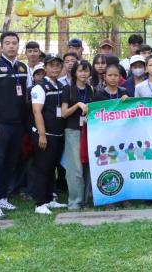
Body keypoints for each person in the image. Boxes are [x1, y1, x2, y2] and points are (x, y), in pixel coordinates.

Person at [0, 31, 31, 219]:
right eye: (7, 43)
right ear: (1, 46)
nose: (11, 46)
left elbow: (26, 96)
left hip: (18, 125)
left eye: (14, 43)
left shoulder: (23, 68)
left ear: (18, 46)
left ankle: (3, 197)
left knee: (11, 162)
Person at [30, 55, 67, 214]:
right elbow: (37, 112)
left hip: (58, 134)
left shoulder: (60, 85)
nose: (55, 68)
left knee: (52, 168)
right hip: (45, 135)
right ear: (45, 68)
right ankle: (40, 203)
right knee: (43, 168)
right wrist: (42, 134)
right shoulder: (39, 88)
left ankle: (50, 199)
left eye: (58, 65)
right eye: (51, 65)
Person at [62, 59, 94, 210]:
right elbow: (64, 113)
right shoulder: (68, 89)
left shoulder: (91, 89)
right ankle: (75, 201)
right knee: (75, 168)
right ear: (75, 72)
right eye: (80, 70)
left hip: (88, 131)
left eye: (86, 71)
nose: (83, 74)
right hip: (73, 131)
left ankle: (85, 200)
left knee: (87, 165)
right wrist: (77, 105)